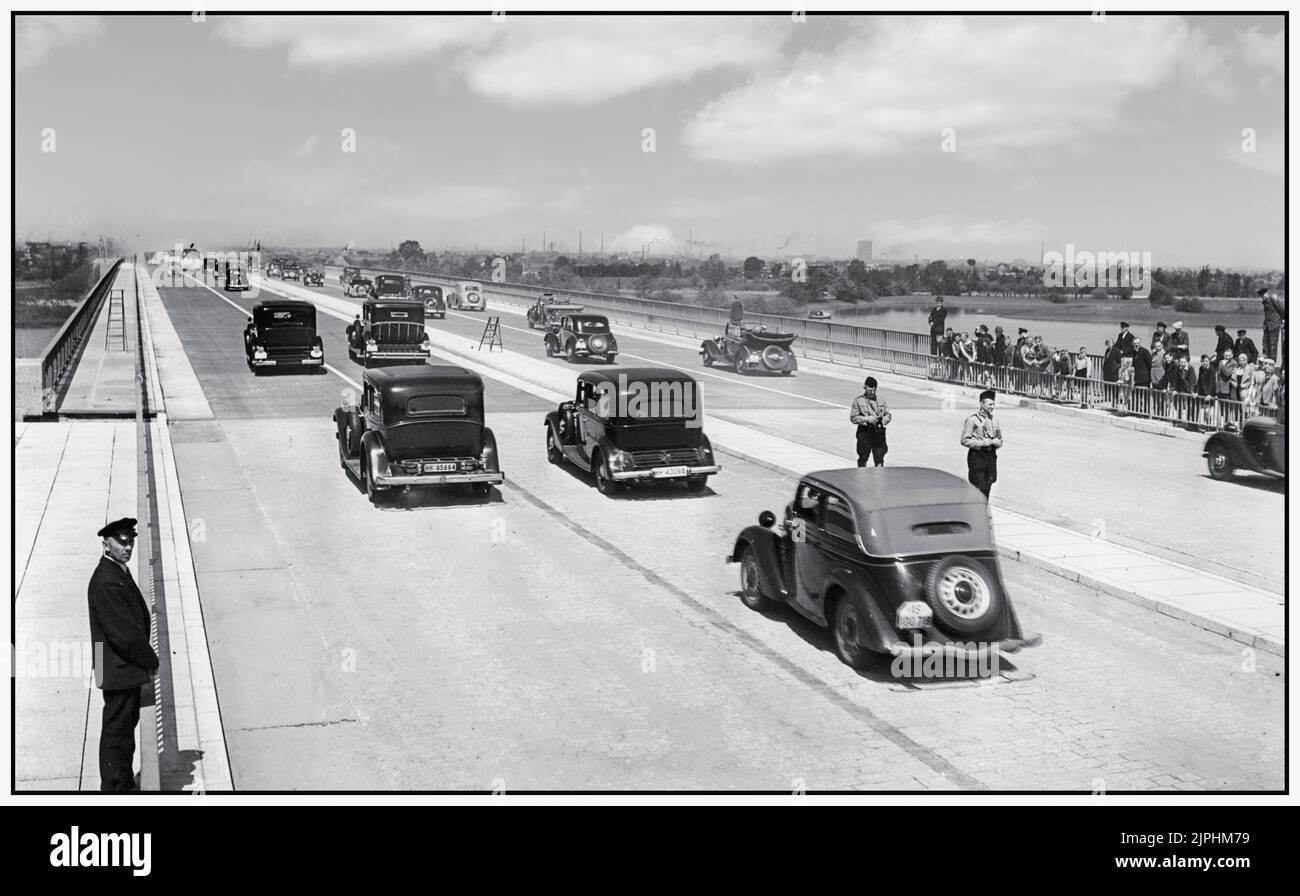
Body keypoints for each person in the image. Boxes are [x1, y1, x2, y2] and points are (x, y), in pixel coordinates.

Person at [88, 517, 159, 793]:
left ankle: (119, 783)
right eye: (121, 542)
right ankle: (117, 788)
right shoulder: (107, 580)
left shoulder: (116, 571)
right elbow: (125, 634)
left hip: (114, 665)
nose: (127, 547)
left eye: (131, 541)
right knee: (118, 732)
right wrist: (150, 661)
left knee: (120, 728)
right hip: (118, 667)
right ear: (107, 544)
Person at [961, 389, 1002, 498]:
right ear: (981, 404)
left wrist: (997, 442)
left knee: (988, 486)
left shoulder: (994, 421)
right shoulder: (973, 420)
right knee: (978, 487)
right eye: (989, 404)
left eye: (993, 404)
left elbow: (1000, 439)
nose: (992, 407)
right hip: (977, 457)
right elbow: (965, 440)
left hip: (990, 457)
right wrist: (983, 443)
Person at [850, 376, 891, 467]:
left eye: (874, 390)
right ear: (865, 387)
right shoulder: (858, 401)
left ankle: (879, 479)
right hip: (865, 432)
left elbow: (888, 414)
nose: (872, 393)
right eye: (869, 390)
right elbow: (853, 418)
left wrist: (884, 420)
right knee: (863, 458)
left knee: (879, 459)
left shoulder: (881, 400)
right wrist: (867, 419)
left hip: (878, 433)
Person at [1261, 287, 1285, 362]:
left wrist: (1283, 319)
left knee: (1272, 345)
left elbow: (1282, 310)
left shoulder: (1274, 298)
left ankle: (1271, 363)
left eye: (1264, 294)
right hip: (1267, 325)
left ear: (1267, 293)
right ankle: (1265, 361)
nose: (1263, 296)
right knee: (1265, 344)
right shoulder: (1265, 301)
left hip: (1274, 324)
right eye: (1261, 295)